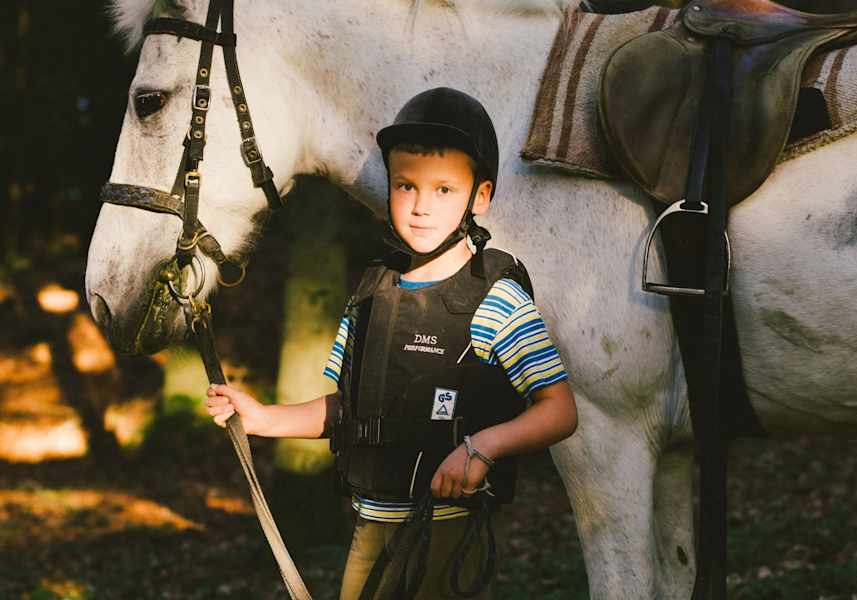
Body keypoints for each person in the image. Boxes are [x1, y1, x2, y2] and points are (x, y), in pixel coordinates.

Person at [205, 87, 578, 600]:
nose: (421, 206)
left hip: (452, 529)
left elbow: (559, 411)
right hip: (372, 528)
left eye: (444, 190)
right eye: (406, 186)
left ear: (481, 197)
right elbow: (346, 409)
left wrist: (483, 448)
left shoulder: (498, 300)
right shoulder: (373, 292)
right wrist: (264, 418)